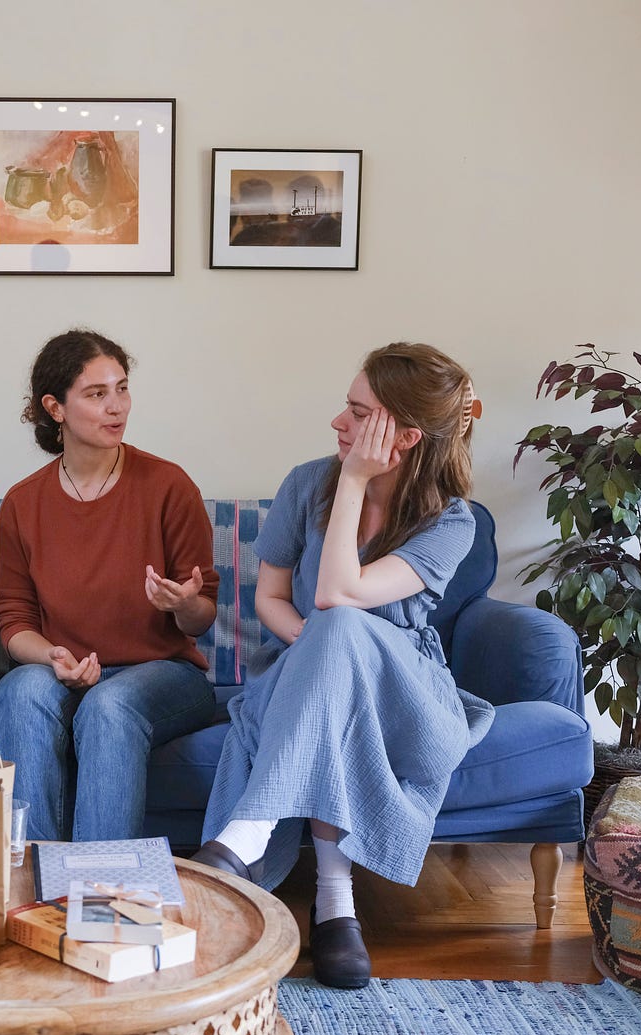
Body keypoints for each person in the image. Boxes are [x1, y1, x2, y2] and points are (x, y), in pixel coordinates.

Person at [192, 342, 495, 991]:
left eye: (358, 413)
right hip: (302, 667)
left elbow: (337, 593)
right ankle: (335, 905)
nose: (338, 422)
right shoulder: (306, 483)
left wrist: (355, 481)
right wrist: (315, 648)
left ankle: (243, 838)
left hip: (403, 691)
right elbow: (271, 600)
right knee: (330, 644)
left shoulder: (451, 522)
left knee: (342, 625)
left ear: (406, 436)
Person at [0, 330, 219, 844]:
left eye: (122, 388)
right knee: (21, 690)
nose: (117, 407)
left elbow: (205, 616)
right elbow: (14, 620)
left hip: (165, 676)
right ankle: (32, 887)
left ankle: (103, 893)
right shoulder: (24, 504)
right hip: (68, 672)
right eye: (97, 394)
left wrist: (184, 606)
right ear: (56, 408)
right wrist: (54, 658)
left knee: (109, 705)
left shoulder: (169, 486)